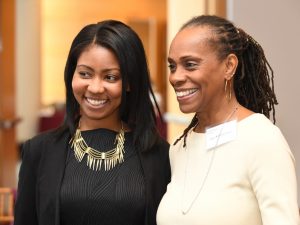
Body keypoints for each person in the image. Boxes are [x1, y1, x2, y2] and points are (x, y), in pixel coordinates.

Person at [14, 20, 170, 225]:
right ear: (72, 75)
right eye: (85, 73)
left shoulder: (159, 154)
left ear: (130, 82)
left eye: (111, 77)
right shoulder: (39, 150)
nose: (95, 88)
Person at [157, 15, 299, 225]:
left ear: (229, 66)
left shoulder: (261, 138)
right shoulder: (180, 148)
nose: (175, 77)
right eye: (172, 66)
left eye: (190, 64)